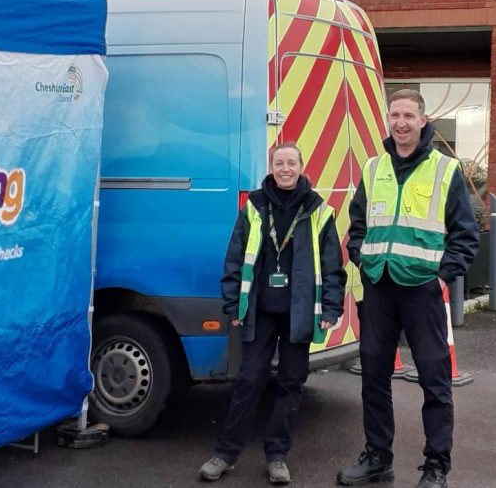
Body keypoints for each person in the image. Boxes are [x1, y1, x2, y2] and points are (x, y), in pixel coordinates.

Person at [337, 89, 480, 488]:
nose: (400, 122)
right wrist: (361, 260)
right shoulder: (373, 168)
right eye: (394, 115)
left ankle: (436, 466)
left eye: (408, 115)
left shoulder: (444, 169)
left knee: (434, 381)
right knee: (374, 378)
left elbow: (465, 235)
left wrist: (441, 275)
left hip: (422, 290)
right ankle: (378, 457)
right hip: (379, 288)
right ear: (388, 119)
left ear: (423, 119)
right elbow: (358, 225)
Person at [199, 143, 345, 485]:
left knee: (291, 384)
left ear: (301, 167)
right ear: (271, 167)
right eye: (279, 163)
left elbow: (333, 265)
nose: (285, 169)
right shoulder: (254, 206)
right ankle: (226, 453)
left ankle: (277, 455)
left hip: (299, 314)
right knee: (249, 381)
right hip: (260, 312)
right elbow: (234, 256)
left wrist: (332, 307)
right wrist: (233, 303)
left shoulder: (318, 211)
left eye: (291, 163)